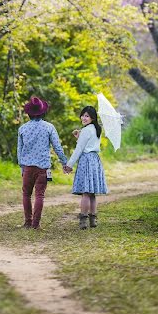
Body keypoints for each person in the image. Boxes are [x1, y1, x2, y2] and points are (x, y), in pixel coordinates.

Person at [17, 96, 68, 229]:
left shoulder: (22, 129)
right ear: (43, 112)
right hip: (43, 168)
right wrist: (64, 162)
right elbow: (57, 147)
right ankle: (35, 224)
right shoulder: (49, 127)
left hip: (27, 167)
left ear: (29, 113)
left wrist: (22, 166)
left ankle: (28, 222)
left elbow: (19, 150)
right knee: (40, 195)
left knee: (26, 194)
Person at [64, 105, 108, 229]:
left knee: (85, 193)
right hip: (95, 160)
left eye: (87, 116)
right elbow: (89, 143)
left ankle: (83, 220)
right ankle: (93, 220)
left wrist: (69, 165)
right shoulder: (96, 129)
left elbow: (79, 150)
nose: (84, 118)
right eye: (83, 115)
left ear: (93, 118)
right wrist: (80, 136)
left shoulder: (86, 130)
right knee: (92, 193)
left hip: (86, 161)